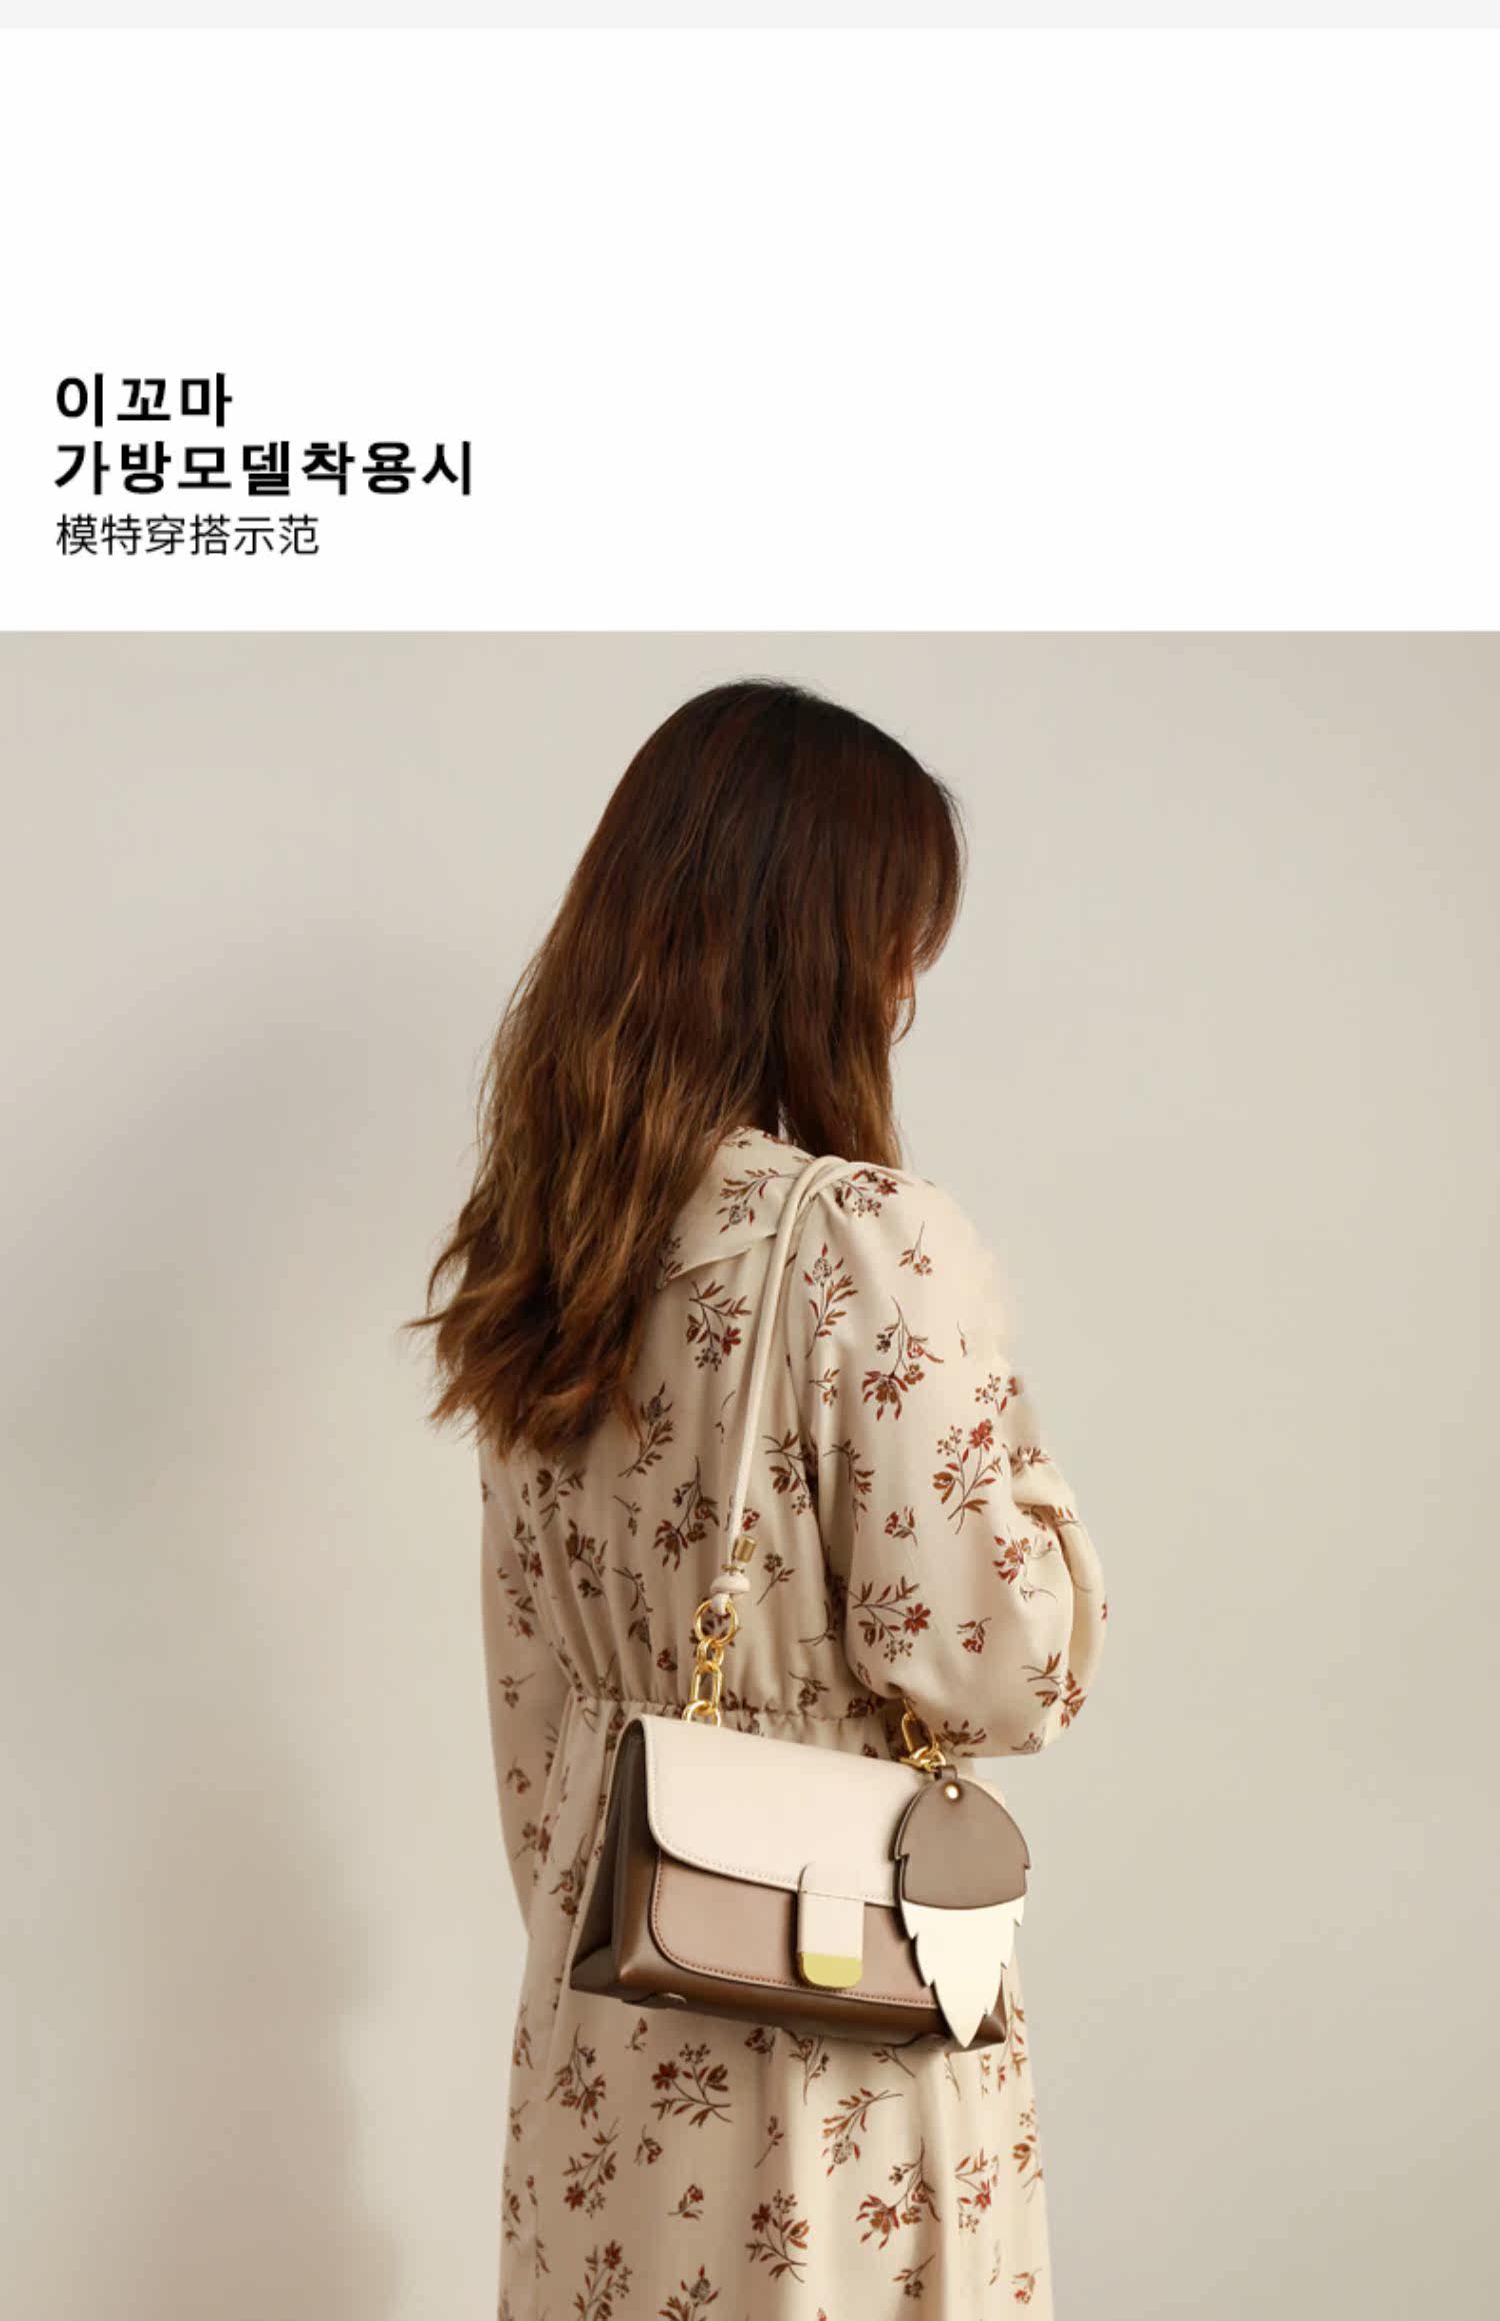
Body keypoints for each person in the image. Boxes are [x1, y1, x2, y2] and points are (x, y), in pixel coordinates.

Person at [416, 679, 1106, 2319]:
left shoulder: (554, 1267)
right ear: (827, 947)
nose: (908, 990)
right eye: (898, 941)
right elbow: (997, 1662)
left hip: (604, 2034)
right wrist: (1028, 1469)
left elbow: (532, 1735)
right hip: (832, 2033)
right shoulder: (868, 1243)